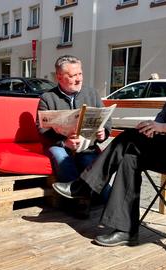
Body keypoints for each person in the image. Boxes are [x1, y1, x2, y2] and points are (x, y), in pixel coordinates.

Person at [52, 33, 166, 246]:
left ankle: (84, 186)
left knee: (129, 138)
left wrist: (161, 127)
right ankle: (125, 230)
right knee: (130, 157)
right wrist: (151, 128)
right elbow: (162, 118)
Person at [37, 55, 112, 216]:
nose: (78, 79)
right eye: (72, 76)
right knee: (60, 156)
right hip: (61, 145)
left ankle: (83, 196)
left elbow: (106, 122)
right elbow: (42, 129)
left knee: (106, 195)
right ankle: (79, 200)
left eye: (80, 74)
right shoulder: (47, 98)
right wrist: (64, 143)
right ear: (59, 77)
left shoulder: (91, 93)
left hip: (87, 146)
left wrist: (102, 133)